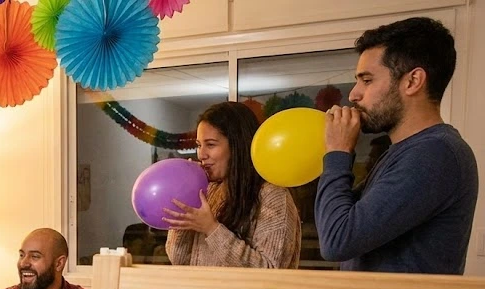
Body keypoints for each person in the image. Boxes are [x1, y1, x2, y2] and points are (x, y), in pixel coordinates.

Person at [317, 17, 478, 274]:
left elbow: (336, 240)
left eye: (367, 80)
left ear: (413, 81)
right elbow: (339, 217)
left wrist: (338, 152)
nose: (353, 95)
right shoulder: (406, 152)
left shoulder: (435, 153)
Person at [164, 101, 302, 269]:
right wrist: (186, 199)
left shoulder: (273, 196)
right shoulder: (209, 191)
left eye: (211, 144)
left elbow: (269, 270)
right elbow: (179, 260)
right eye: (199, 145)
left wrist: (211, 229)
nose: (201, 154)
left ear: (237, 146)